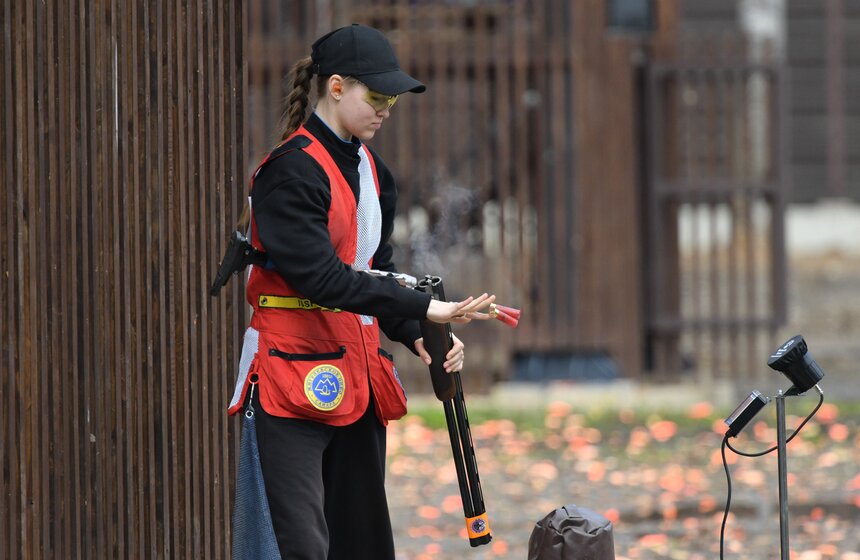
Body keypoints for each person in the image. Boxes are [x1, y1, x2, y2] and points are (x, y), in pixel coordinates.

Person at [227, 24, 494, 560]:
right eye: (376, 96)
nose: (386, 109)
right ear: (336, 87)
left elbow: (378, 268)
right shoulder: (288, 174)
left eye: (391, 98)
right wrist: (423, 306)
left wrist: (419, 333)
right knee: (299, 547)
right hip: (287, 379)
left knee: (362, 543)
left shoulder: (375, 172)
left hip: (357, 374)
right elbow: (324, 279)